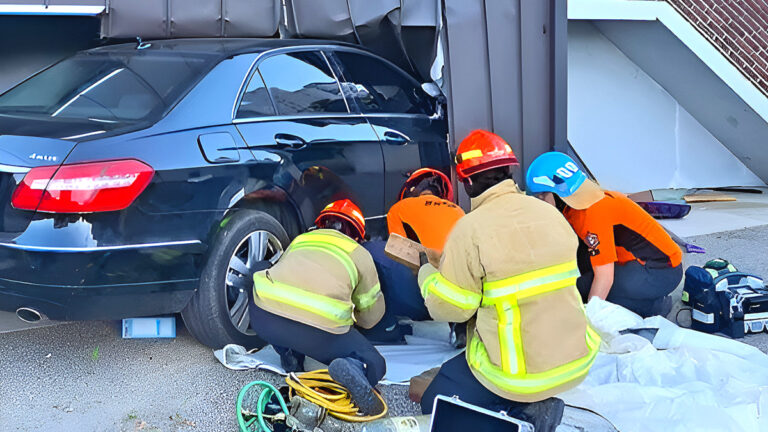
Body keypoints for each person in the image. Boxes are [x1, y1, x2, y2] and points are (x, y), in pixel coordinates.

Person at [418, 130, 600, 432]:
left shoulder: (470, 229)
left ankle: (523, 412)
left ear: (466, 181)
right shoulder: (550, 214)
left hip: (519, 376)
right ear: (509, 171)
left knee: (435, 400)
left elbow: (452, 309)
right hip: (575, 359)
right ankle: (536, 404)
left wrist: (427, 275)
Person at [249, 199, 386, 415]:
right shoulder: (360, 253)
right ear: (359, 235)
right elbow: (371, 318)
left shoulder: (301, 239)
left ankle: (289, 355)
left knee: (262, 273)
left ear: (322, 224)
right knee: (375, 362)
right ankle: (353, 367)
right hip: (321, 336)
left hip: (265, 319)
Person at [525, 151, 683, 318]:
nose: (539, 201)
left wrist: (589, 320)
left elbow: (604, 278)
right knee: (577, 284)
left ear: (559, 193)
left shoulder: (593, 212)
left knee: (593, 293)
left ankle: (654, 307)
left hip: (661, 270)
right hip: (633, 261)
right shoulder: (575, 206)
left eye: (542, 196)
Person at [361, 168, 465, 342]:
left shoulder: (400, 208)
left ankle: (386, 326)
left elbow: (398, 251)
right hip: (454, 295)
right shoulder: (458, 211)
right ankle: (459, 328)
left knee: (373, 251)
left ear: (411, 190)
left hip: (419, 294)